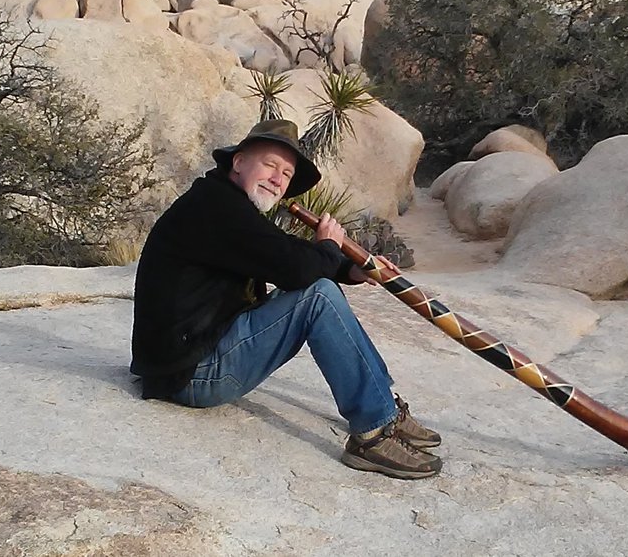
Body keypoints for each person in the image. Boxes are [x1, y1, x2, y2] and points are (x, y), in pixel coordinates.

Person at [131, 119, 442, 479]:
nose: (278, 180)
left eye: (286, 173)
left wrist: (350, 270)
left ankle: (384, 408)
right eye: (269, 165)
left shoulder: (223, 204)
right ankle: (373, 433)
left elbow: (284, 253)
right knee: (317, 297)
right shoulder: (216, 209)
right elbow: (296, 269)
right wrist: (328, 245)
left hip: (187, 361)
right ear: (239, 162)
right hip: (190, 374)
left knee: (320, 288)